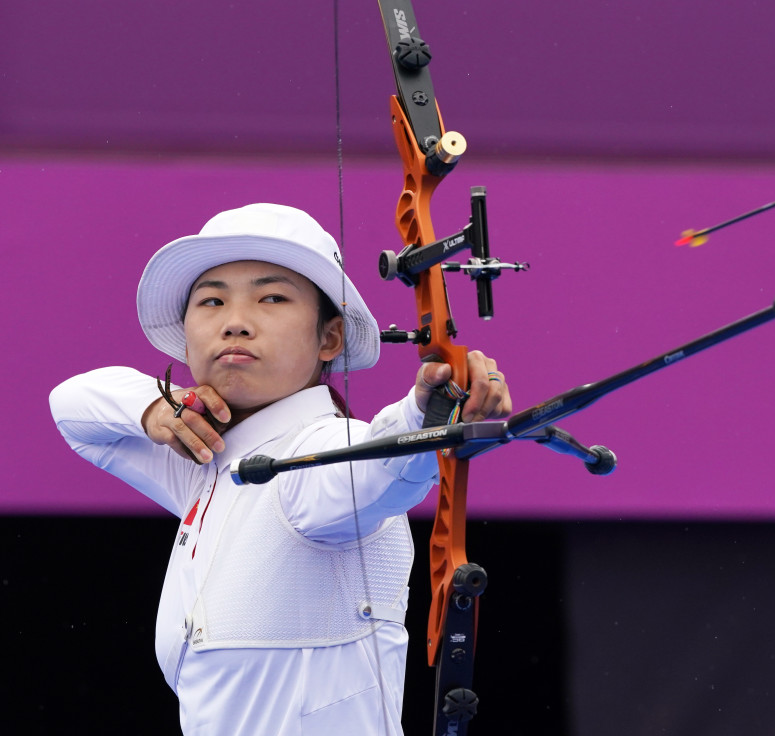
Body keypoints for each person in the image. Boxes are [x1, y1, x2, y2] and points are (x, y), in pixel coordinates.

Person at [49, 203, 511, 736]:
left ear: (330, 339)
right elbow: (73, 408)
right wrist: (158, 407)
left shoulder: (315, 460)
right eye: (212, 301)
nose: (236, 321)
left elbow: (375, 462)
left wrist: (427, 412)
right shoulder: (204, 464)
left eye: (272, 298)